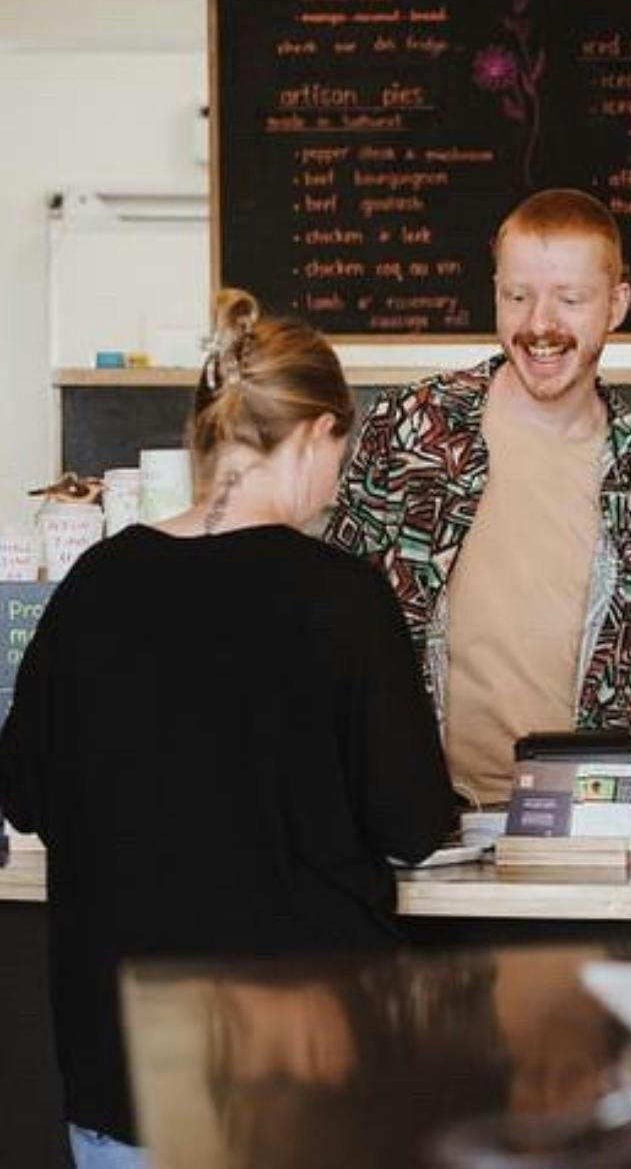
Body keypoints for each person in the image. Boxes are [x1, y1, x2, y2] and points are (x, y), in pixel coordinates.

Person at [0, 289, 456, 1165]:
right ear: (320, 434)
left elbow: (24, 791)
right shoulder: (341, 599)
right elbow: (412, 820)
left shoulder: (96, 584)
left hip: (123, 1082)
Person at [325, 188, 631, 804]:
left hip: (578, 824)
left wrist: (619, 815)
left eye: (571, 300)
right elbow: (334, 613)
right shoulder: (410, 427)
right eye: (517, 296)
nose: (539, 326)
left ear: (617, 305)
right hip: (414, 816)